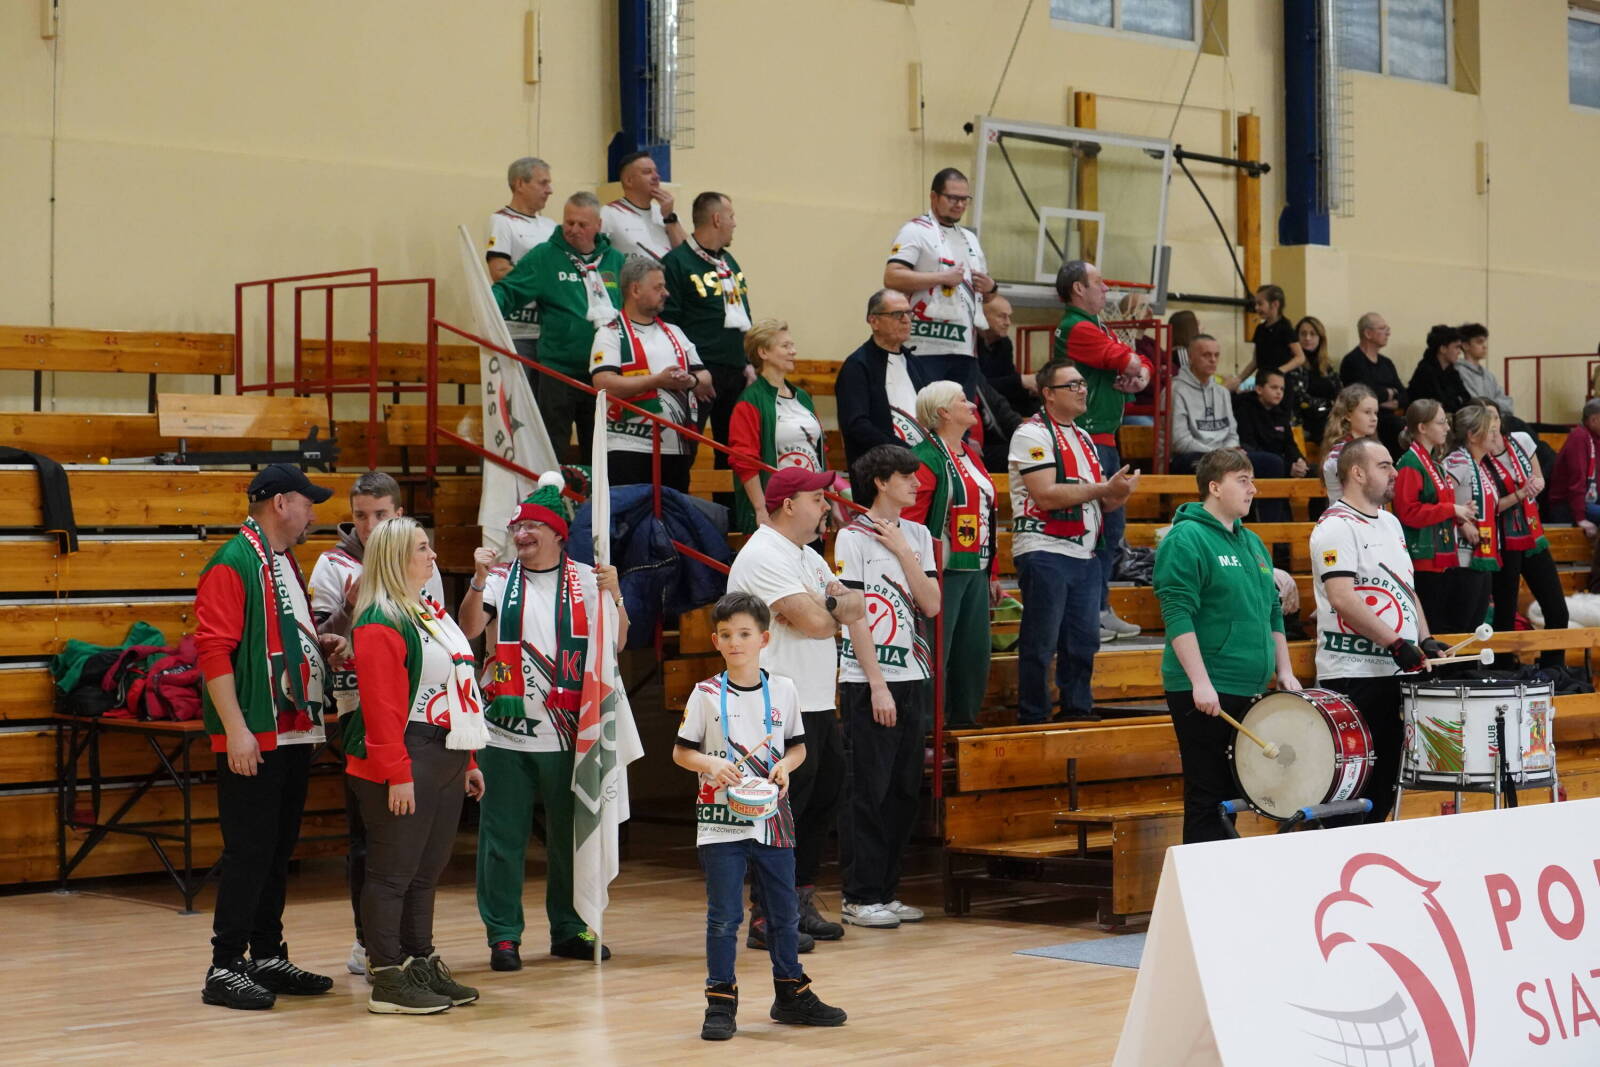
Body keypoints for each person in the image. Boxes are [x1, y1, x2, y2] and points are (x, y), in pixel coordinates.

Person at [458, 473, 628, 969]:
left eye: (532, 525)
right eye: (517, 526)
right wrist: (475, 580)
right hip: (505, 733)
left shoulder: (589, 580)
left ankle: (570, 928)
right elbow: (470, 627)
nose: (522, 533)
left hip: (570, 733)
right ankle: (503, 935)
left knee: (571, 840)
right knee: (501, 840)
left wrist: (616, 595)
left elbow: (617, 644)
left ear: (557, 533)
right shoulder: (497, 579)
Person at [194, 464, 343, 1010]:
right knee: (250, 850)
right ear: (281, 503)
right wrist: (236, 730)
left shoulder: (281, 561)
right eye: (308, 502)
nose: (313, 513)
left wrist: (317, 648)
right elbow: (213, 651)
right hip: (256, 732)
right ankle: (224, 964)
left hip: (292, 729)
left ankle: (266, 953)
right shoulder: (233, 561)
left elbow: (277, 639)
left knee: (278, 849)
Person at [673, 592, 847, 1041]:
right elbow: (681, 752)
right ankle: (720, 1002)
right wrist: (711, 765)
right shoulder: (705, 694)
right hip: (720, 821)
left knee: (784, 912)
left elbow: (798, 747)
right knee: (724, 916)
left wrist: (785, 766)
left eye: (745, 634)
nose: (736, 642)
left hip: (774, 818)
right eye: (726, 635)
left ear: (763, 639)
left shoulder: (784, 690)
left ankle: (791, 993)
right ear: (715, 640)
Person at [345, 517, 487, 1014]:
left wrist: (468, 757)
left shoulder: (428, 611)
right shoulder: (378, 619)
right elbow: (381, 706)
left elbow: (456, 690)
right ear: (395, 558)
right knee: (392, 874)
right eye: (422, 549)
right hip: (404, 755)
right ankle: (387, 976)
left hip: (445, 752)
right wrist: (397, 773)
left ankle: (419, 961)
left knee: (426, 872)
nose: (432, 556)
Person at [308, 471, 445, 978]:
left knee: (417, 845)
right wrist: (350, 607)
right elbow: (317, 638)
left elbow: (437, 636)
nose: (368, 525)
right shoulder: (333, 564)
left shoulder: (421, 557)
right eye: (360, 515)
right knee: (370, 837)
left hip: (420, 715)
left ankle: (411, 948)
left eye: (380, 515)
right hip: (357, 710)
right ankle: (370, 944)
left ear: (399, 513)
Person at [726, 467, 866, 947]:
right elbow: (819, 623)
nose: (826, 506)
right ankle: (766, 917)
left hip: (816, 700)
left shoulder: (806, 555)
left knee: (822, 800)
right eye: (817, 498)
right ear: (788, 505)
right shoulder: (764, 553)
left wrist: (824, 607)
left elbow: (856, 606)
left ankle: (797, 904)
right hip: (774, 704)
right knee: (780, 811)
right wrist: (826, 608)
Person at [1155, 448, 1300, 844]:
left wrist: (1284, 670)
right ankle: (1201, 876)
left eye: (1252, 480)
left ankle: (1223, 870)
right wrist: (1200, 682)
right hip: (1207, 688)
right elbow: (1177, 612)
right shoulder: (1186, 538)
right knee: (1209, 793)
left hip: (1249, 687)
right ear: (1215, 487)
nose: (1253, 489)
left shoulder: (1251, 541)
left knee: (1234, 793)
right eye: (1243, 480)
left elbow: (1273, 611)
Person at [1311, 439, 1448, 824]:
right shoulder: (1336, 526)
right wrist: (1395, 641)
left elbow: (1405, 588)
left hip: (1394, 670)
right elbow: (1342, 597)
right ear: (1357, 472)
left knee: (1386, 782)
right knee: (1352, 791)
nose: (1395, 473)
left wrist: (1424, 638)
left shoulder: (1390, 522)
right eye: (1385, 465)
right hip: (1353, 674)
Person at [834, 445, 940, 929]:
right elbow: (854, 615)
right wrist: (876, 683)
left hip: (914, 675)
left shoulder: (917, 534)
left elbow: (931, 603)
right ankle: (859, 895)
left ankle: (887, 891)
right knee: (867, 790)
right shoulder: (851, 537)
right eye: (906, 476)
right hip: (868, 681)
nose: (916, 483)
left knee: (902, 791)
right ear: (880, 481)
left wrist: (902, 550)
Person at [1009, 359, 1139, 723]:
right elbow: (1046, 494)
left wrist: (1120, 493)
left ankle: (1077, 711)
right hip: (1044, 549)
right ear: (1048, 394)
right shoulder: (1031, 434)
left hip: (1085, 552)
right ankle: (1033, 716)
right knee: (1041, 642)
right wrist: (1104, 488)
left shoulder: (1083, 437)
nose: (1082, 390)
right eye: (1072, 385)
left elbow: (1100, 501)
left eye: (1083, 383)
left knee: (1083, 641)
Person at [1052, 260, 1152, 641]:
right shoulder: (1076, 327)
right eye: (1099, 282)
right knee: (1093, 530)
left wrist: (1140, 372)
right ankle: (1086, 611)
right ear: (1078, 289)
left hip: (1105, 438)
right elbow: (1127, 360)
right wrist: (1135, 368)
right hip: (1087, 438)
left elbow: (1140, 364)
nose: (1107, 289)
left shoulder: (1099, 327)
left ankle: (1100, 606)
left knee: (1111, 529)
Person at [492, 191, 626, 463]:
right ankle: (551, 491)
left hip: (603, 373)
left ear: (598, 225)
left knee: (600, 451)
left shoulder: (615, 260)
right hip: (558, 371)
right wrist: (487, 308)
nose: (574, 229)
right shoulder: (545, 256)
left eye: (582, 224)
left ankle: (594, 492)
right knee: (552, 447)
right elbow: (508, 290)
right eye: (569, 222)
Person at [907, 381, 1000, 729]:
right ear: (944, 412)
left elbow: (988, 514)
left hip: (976, 567)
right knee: (937, 654)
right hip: (941, 572)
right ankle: (928, 731)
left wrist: (992, 572)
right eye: (963, 400)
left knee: (973, 654)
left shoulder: (970, 454)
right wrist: (919, 574)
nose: (972, 405)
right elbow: (911, 522)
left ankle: (963, 725)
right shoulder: (924, 458)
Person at [589, 254, 711, 492]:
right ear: (635, 290)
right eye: (658, 287)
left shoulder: (675, 332)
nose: (666, 293)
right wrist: (658, 380)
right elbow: (603, 383)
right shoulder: (609, 333)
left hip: (676, 446)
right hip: (628, 446)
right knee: (632, 512)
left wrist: (690, 380)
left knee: (674, 511)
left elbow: (705, 379)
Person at [883, 167, 997, 386]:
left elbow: (987, 298)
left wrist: (991, 288)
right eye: (953, 198)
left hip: (964, 348)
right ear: (934, 196)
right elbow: (892, 277)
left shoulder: (970, 239)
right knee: (926, 407)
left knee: (960, 408)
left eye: (964, 199)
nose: (959, 204)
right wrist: (941, 278)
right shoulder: (915, 230)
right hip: (924, 346)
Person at [662, 192, 752, 464]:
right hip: (699, 375)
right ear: (716, 219)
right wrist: (693, 371)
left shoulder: (728, 262)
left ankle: (731, 496)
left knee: (734, 454)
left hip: (735, 373)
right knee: (684, 453)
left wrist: (747, 362)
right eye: (731, 216)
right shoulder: (676, 262)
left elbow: (743, 316)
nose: (735, 223)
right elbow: (668, 324)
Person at [728, 319, 826, 534]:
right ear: (763, 352)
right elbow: (744, 460)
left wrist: (828, 501)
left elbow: (819, 451)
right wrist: (760, 509)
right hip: (777, 509)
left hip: (812, 504)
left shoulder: (803, 397)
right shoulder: (750, 400)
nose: (794, 351)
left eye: (793, 345)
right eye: (785, 346)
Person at [1484, 418, 1567, 665]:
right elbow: (1489, 507)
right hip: (1503, 540)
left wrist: (1535, 486)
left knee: (1557, 610)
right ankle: (1503, 671)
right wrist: (1520, 494)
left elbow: (1538, 478)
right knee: (1504, 615)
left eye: (1495, 417)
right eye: (1486, 418)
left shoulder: (1521, 440)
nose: (1492, 423)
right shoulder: (1475, 455)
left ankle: (1554, 669)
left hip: (1532, 533)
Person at [1392, 400, 1474, 628]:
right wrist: (1452, 509)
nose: (1447, 428)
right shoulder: (1410, 463)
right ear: (1422, 428)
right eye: (1441, 422)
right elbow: (1408, 513)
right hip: (1423, 558)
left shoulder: (1432, 461)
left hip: (1439, 553)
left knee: (1444, 623)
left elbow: (1437, 505)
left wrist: (1460, 513)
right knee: (1432, 624)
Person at [836, 289, 932, 476]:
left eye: (909, 313)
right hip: (880, 470)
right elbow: (857, 425)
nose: (906, 320)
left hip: (922, 466)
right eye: (897, 314)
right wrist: (906, 453)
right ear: (874, 321)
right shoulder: (857, 366)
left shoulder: (914, 363)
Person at [1169, 334, 1286, 481]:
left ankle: (1249, 497)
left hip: (1223, 455)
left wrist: (1227, 452)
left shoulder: (1222, 392)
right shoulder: (1175, 390)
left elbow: (1232, 434)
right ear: (1190, 357)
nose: (1213, 360)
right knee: (1206, 465)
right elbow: (1180, 442)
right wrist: (1218, 454)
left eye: (1216, 355)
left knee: (1273, 463)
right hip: (1193, 456)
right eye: (1206, 355)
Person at [1438, 402, 1502, 634]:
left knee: (1474, 625)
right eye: (1490, 430)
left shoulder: (1479, 464)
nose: (1495, 434)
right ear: (1472, 436)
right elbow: (1438, 494)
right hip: (1461, 557)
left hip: (1480, 552)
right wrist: (1461, 521)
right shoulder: (1459, 461)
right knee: (1459, 625)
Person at [485, 157, 556, 363]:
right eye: (543, 183)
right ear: (520, 184)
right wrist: (543, 279)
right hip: (518, 331)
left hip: (549, 330)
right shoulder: (502, 221)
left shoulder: (551, 226)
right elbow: (499, 272)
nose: (550, 190)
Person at [600, 150, 687, 261]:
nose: (656, 176)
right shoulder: (609, 213)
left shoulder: (666, 214)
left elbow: (686, 256)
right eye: (647, 172)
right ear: (629, 181)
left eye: (656, 171)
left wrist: (669, 217)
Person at [1339, 312, 1407, 452]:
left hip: (1390, 416)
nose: (1388, 333)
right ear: (1368, 333)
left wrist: (1390, 398)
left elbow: (1405, 395)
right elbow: (1362, 396)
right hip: (1366, 419)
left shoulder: (1386, 363)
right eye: (1382, 329)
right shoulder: (1352, 361)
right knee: (1397, 427)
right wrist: (1390, 392)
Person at [1234, 369, 1310, 479]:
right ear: (1259, 389)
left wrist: (1299, 460)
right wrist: (1288, 467)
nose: (1279, 392)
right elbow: (1250, 446)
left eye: (1282, 389)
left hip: (1283, 464)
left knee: (1315, 471)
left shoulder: (1281, 413)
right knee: (1275, 464)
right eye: (1274, 387)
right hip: (1258, 465)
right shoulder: (1244, 411)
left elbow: (1290, 444)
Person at [1237, 285, 1305, 406]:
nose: (1256, 308)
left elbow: (1300, 357)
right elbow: (1255, 361)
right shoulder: (1260, 329)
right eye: (1256, 304)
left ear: (1275, 304)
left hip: (1279, 385)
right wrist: (1239, 380)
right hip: (1263, 385)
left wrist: (1279, 371)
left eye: (1260, 304)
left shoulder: (1285, 328)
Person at [975, 295, 1037, 418]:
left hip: (998, 401)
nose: (1008, 323)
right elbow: (978, 386)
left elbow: (1008, 377)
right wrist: (1020, 381)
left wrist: (1030, 388)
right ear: (982, 316)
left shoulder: (1004, 343)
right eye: (1002, 316)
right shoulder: (971, 344)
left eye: (1009, 317)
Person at [1320, 383, 1381, 505]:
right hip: (1348, 514)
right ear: (1348, 415)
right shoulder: (1339, 453)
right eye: (1367, 412)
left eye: (1375, 413)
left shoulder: (1372, 447)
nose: (1374, 418)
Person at [1551, 398, 1600, 530]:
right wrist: (1580, 518)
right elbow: (1577, 479)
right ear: (1593, 420)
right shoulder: (1579, 438)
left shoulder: (1595, 437)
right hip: (1568, 505)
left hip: (1590, 500)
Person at [1406, 325, 1471, 414]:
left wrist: (1454, 402)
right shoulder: (1425, 371)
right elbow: (1439, 404)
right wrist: (1457, 401)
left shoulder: (1452, 371)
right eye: (1456, 347)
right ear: (1443, 349)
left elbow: (1466, 398)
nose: (1459, 352)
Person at [1295, 315, 1340, 443]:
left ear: (1320, 338)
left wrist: (1334, 408)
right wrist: (1328, 406)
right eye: (1303, 334)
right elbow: (1301, 399)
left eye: (1312, 334)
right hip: (1306, 420)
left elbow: (1340, 394)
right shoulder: (1294, 365)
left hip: (1329, 417)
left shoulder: (1327, 366)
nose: (1307, 338)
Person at [1455, 323, 1514, 420]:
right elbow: (1475, 404)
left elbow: (1508, 404)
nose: (1484, 346)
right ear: (1465, 346)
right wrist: (1494, 405)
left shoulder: (1488, 375)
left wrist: (1491, 405)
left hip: (1496, 419)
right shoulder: (1459, 372)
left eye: (1485, 342)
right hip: (1476, 421)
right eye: (1479, 342)